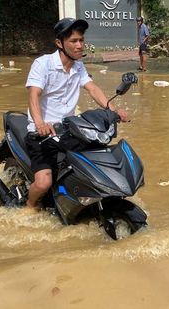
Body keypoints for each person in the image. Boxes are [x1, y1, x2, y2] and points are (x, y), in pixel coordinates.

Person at [24, 18, 129, 210]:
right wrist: (40, 123)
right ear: (59, 43)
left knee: (94, 158)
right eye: (74, 41)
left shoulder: (78, 66)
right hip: (42, 134)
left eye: (81, 40)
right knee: (43, 182)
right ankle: (30, 205)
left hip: (67, 130)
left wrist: (114, 111)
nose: (80, 45)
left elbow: (93, 89)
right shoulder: (43, 64)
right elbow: (34, 94)